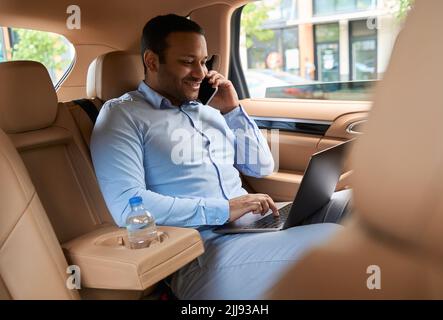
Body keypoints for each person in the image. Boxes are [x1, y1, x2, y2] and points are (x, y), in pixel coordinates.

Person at [91, 14, 343, 299]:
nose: (200, 73)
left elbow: (262, 166)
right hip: (200, 252)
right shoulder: (122, 115)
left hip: (249, 228)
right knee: (336, 242)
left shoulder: (207, 111)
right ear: (152, 61)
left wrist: (233, 110)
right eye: (187, 62)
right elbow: (128, 207)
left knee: (355, 207)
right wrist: (225, 208)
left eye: (203, 62)